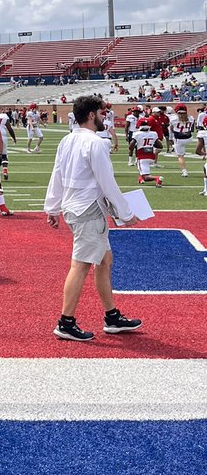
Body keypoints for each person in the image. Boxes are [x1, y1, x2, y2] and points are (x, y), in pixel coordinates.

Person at [44, 95, 142, 343]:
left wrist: (52, 207)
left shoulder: (67, 140)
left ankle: (111, 316)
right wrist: (126, 213)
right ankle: (66, 322)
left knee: (104, 260)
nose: (104, 117)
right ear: (91, 115)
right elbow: (106, 182)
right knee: (81, 264)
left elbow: (56, 173)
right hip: (87, 209)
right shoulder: (95, 143)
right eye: (101, 113)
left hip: (77, 207)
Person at [169, 104, 194, 177]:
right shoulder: (191, 118)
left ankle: (184, 171)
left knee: (180, 156)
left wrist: (171, 138)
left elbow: (171, 129)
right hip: (189, 137)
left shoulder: (173, 118)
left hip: (179, 139)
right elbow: (192, 129)